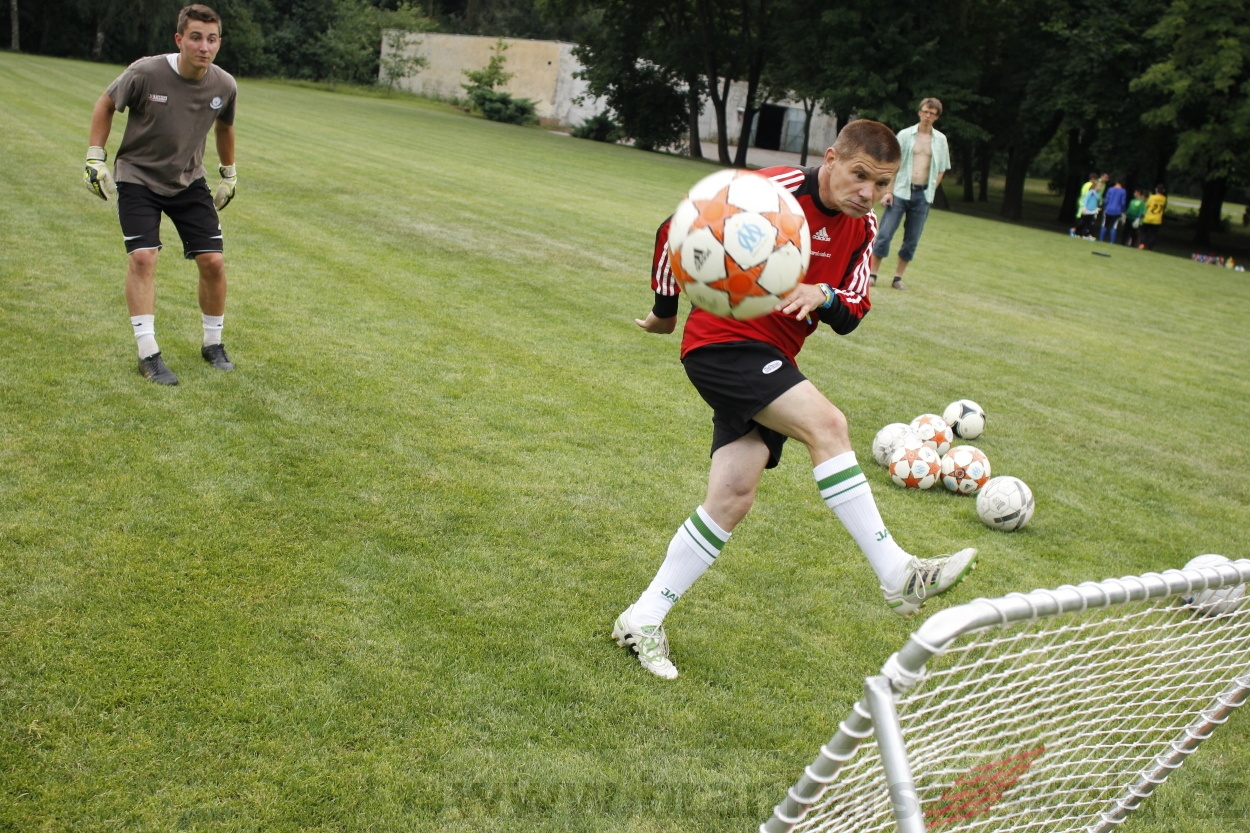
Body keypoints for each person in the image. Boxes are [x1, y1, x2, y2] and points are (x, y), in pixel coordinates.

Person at [614, 120, 977, 680]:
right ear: (830, 159)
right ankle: (898, 572)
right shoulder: (773, 191)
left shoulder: (864, 227)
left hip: (773, 358)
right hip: (722, 343)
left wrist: (824, 294)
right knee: (828, 425)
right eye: (860, 175)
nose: (869, 193)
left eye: (882, 183)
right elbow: (674, 227)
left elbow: (853, 309)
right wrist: (665, 311)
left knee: (733, 496)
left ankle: (642, 618)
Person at [84, 4, 239, 385]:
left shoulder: (224, 85)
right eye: (196, 38)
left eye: (212, 39)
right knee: (142, 257)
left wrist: (229, 174)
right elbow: (107, 103)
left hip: (188, 180)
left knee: (213, 262)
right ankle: (148, 353)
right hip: (138, 176)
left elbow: (224, 126)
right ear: (179, 39)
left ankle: (213, 344)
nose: (204, 46)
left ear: (219, 43)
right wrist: (94, 158)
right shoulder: (146, 72)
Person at [867, 98, 951, 291]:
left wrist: (931, 190)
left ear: (937, 117)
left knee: (911, 240)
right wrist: (888, 191)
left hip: (923, 195)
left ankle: (898, 278)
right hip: (900, 192)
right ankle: (872, 274)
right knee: (885, 234)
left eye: (932, 113)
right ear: (919, 112)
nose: (928, 116)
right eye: (925, 111)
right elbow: (893, 164)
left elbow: (942, 169)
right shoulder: (905, 135)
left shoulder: (940, 140)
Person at [1099, 178, 1127, 244]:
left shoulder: (1110, 189)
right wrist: (1123, 210)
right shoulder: (1123, 191)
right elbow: (1123, 202)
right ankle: (1112, 241)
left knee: (1105, 224)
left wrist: (1104, 208)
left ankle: (1101, 239)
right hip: (1117, 211)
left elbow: (1106, 200)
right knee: (1114, 226)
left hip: (1108, 209)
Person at [1141, 185, 1167, 251]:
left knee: (1144, 231)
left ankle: (1142, 243)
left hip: (1148, 217)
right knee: (1153, 234)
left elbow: (1147, 205)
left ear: (1156, 190)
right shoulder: (1164, 199)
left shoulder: (1152, 197)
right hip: (1157, 219)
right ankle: (1150, 248)